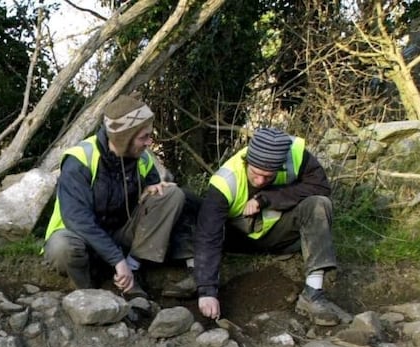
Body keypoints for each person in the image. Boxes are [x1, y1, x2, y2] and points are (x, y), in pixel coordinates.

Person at [193, 127, 351, 326]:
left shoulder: (296, 156)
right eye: (256, 173)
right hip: (236, 238)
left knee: (319, 204)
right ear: (247, 160)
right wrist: (207, 290)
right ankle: (190, 271)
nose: (260, 181)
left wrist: (267, 198)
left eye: (268, 176)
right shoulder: (226, 180)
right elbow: (209, 234)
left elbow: (320, 188)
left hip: (281, 236)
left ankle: (313, 293)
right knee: (191, 207)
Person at [43, 94, 196, 298]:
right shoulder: (80, 160)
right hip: (80, 239)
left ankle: (132, 273)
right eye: (144, 137)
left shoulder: (142, 159)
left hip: (121, 236)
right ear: (124, 138)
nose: (149, 143)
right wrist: (116, 259)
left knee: (171, 194)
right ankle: (89, 294)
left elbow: (154, 189)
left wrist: (152, 188)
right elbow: (77, 219)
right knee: (62, 247)